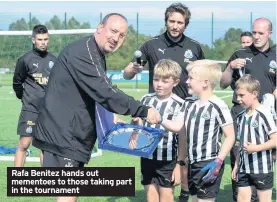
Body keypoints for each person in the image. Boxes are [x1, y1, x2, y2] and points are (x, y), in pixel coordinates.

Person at [32, 13, 160, 202]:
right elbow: (106, 92)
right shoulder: (84, 53)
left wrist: (110, 117)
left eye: (122, 35)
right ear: (100, 28)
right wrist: (143, 109)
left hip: (65, 134)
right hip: (63, 137)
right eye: (113, 31)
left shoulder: (94, 52)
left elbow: (91, 93)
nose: (116, 38)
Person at [123, 3, 205, 201]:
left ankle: (186, 191)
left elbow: (202, 77)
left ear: (186, 24)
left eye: (180, 22)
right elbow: (127, 74)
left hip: (185, 108)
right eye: (172, 21)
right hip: (156, 112)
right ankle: (179, 191)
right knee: (157, 161)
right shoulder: (151, 44)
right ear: (166, 21)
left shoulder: (194, 47)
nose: (175, 26)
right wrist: (134, 69)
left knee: (185, 158)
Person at [160, 60, 235, 202]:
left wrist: (218, 162)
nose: (187, 81)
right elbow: (177, 126)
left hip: (209, 162)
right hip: (192, 163)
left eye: (191, 78)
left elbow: (230, 136)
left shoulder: (218, 105)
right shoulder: (189, 103)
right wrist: (159, 118)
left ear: (205, 82)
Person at [220, 17, 276, 202]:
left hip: (268, 115)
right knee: (239, 156)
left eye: (261, 33)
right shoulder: (240, 53)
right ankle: (242, 197)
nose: (257, 36)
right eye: (254, 32)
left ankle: (261, 193)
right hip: (241, 114)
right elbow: (223, 83)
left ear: (270, 33)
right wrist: (229, 68)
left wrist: (270, 101)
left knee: (267, 157)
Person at [129, 59, 186, 202]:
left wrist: (180, 164)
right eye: (156, 79)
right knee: (150, 194)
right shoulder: (146, 99)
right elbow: (139, 124)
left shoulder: (180, 104)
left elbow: (182, 136)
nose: (159, 84)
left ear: (176, 82)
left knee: (166, 196)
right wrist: (135, 124)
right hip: (147, 156)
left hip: (167, 159)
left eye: (165, 81)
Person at [13, 25, 56, 167]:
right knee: (24, 144)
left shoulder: (54, 60)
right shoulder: (25, 60)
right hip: (30, 109)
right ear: (33, 40)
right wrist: (24, 98)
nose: (43, 42)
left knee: (46, 148)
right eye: (40, 39)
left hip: (48, 111)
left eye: (45, 39)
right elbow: (17, 83)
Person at [231, 74, 277, 202]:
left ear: (254, 93)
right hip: (243, 167)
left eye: (242, 95)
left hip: (262, 168)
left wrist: (256, 148)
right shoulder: (241, 116)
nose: (238, 99)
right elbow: (240, 143)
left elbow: (275, 140)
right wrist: (236, 165)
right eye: (237, 95)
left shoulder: (264, 114)